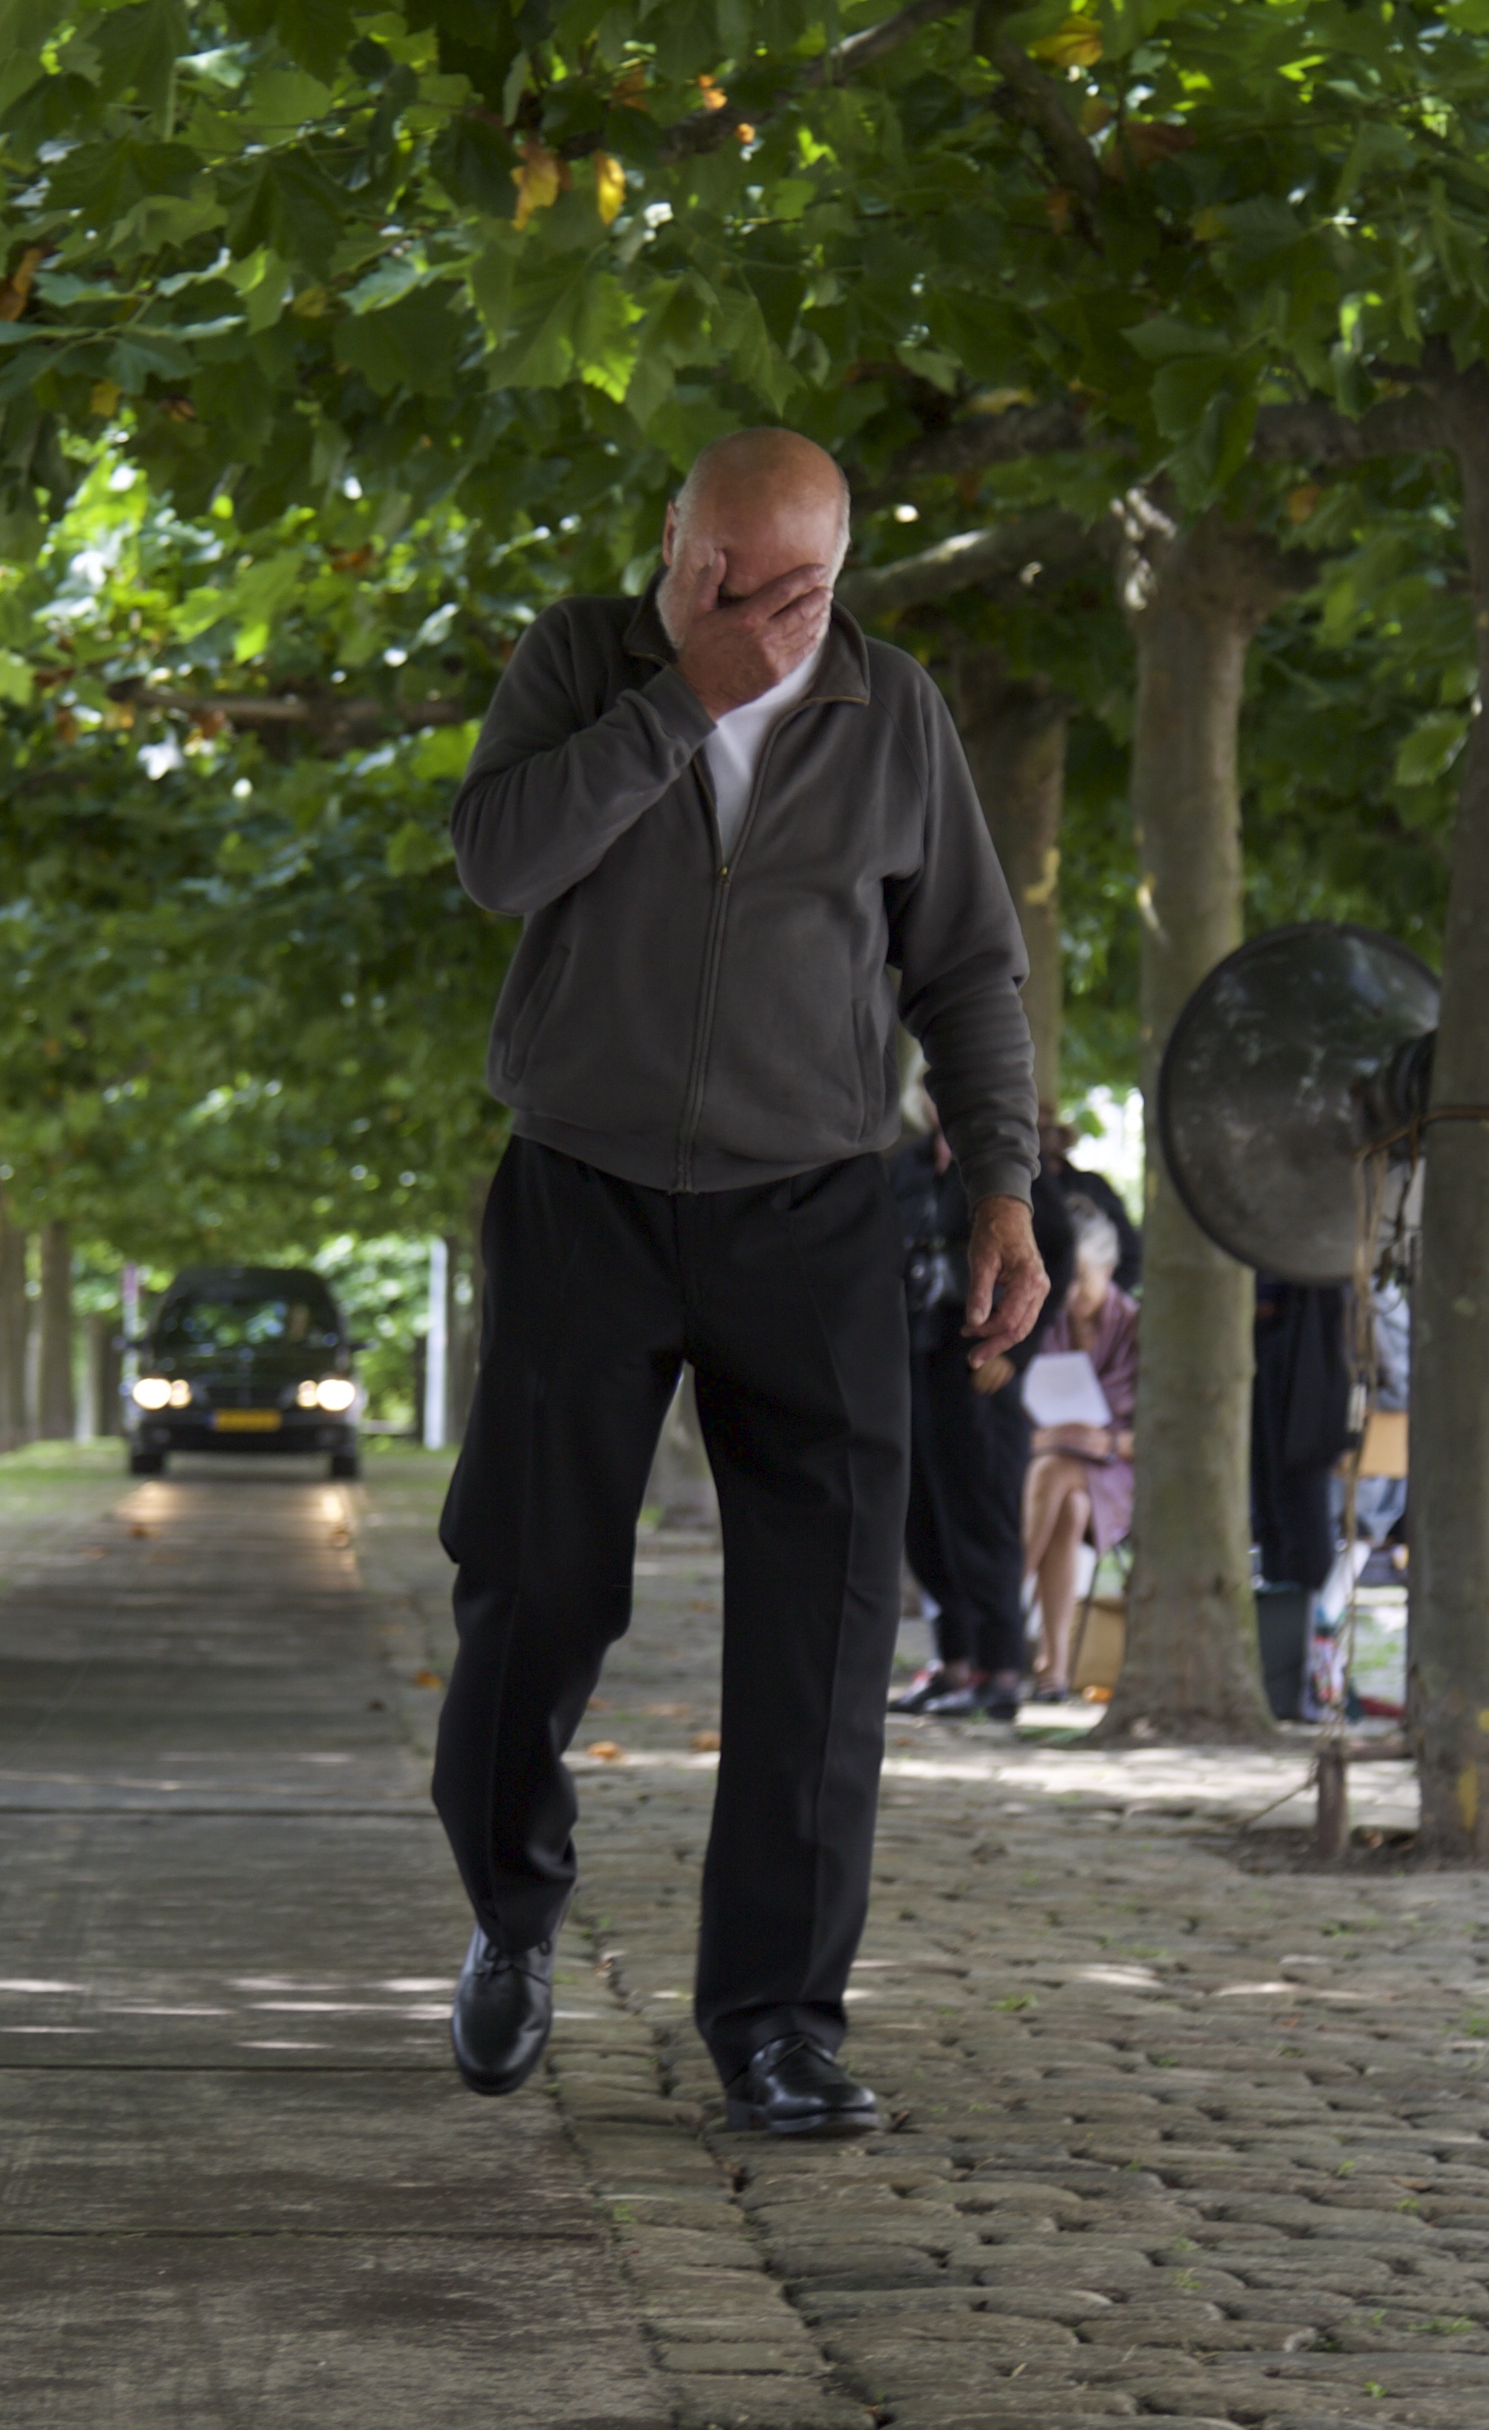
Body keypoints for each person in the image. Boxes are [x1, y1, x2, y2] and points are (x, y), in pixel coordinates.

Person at [428, 426, 1046, 2140]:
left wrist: (1003, 1184)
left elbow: (971, 968)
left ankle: (778, 2022)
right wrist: (678, 696)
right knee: (535, 1587)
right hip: (584, 1194)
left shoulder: (892, 708)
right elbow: (498, 861)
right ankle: (509, 1914)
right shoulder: (582, 658)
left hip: (821, 1209)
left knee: (829, 1634)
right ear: (675, 544)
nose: (763, 615)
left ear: (840, 577)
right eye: (724, 577)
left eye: (797, 590)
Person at [888, 1105, 1032, 1720]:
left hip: (977, 1368)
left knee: (981, 1520)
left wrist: (1016, 1347)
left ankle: (1002, 1670)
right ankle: (955, 1664)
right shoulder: (906, 1169)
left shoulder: (1009, 1172)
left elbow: (1052, 1259)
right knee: (922, 1518)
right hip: (910, 1359)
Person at [1017, 1213, 1139, 1704]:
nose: (1070, 1292)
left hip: (1119, 1467)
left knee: (1054, 1473)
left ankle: (1002, 1610)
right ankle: (1053, 1670)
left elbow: (1159, 1433)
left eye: (1082, 1279)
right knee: (1069, 1505)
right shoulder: (1044, 1321)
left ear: (1109, 1269)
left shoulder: (1137, 1324)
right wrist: (1044, 1434)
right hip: (1047, 1466)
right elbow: (1016, 1415)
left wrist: (1108, 1444)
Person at [1248, 1270, 1358, 1724]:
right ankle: (1281, 1670)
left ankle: (1313, 1667)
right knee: (1272, 1514)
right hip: (1262, 1339)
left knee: (1304, 1516)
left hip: (1307, 1348)